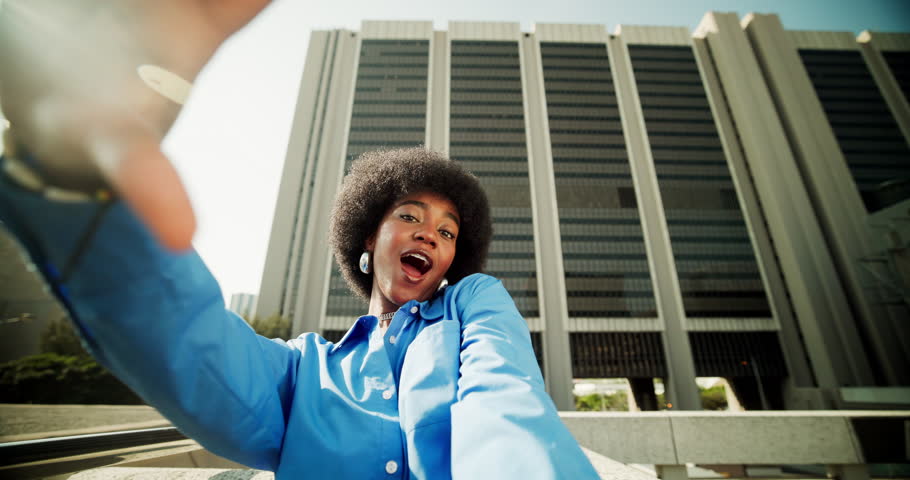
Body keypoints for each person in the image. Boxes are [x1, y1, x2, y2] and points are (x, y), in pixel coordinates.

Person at [0, 2, 600, 478]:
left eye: (447, 231)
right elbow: (191, 349)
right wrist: (71, 177)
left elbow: (505, 400)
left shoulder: (473, 307)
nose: (430, 234)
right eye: (411, 216)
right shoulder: (301, 368)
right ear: (369, 236)